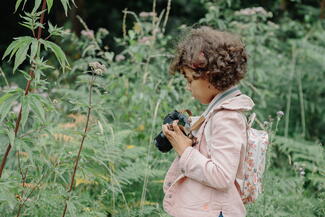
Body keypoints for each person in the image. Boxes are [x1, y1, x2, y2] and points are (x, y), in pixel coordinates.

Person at [161, 26, 254, 217]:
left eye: (189, 80)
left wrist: (185, 151)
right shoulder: (218, 112)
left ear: (209, 76)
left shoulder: (227, 117)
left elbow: (221, 176)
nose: (188, 88)